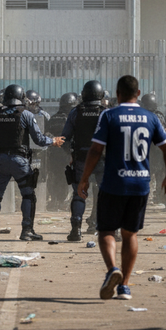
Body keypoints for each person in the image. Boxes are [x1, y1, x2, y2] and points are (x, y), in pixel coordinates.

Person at [76, 75, 166, 300]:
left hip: (113, 183)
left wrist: (84, 178)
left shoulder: (109, 115)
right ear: (138, 94)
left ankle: (113, 269)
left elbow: (95, 150)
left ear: (117, 94)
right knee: (130, 234)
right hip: (140, 183)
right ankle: (125, 286)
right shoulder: (150, 117)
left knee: (106, 231)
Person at [0, 84, 64, 241]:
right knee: (28, 195)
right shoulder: (26, 114)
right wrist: (53, 141)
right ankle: (27, 231)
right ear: (22, 98)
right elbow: (39, 140)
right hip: (19, 160)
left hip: (0, 160)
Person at [61, 82, 107, 239]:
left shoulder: (75, 112)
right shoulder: (106, 113)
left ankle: (76, 230)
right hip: (102, 159)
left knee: (79, 194)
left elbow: (64, 139)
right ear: (101, 95)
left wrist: (71, 154)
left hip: (81, 159)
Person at [47, 92, 78, 212]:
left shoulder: (53, 117)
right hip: (65, 153)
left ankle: (54, 200)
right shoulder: (70, 118)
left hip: (53, 153)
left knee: (54, 176)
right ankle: (61, 201)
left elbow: (47, 134)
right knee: (65, 178)